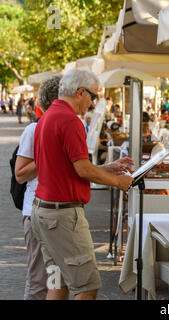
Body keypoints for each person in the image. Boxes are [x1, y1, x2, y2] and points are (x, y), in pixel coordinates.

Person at [30, 69, 134, 300]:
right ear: (80, 92)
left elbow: (66, 167)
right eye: (93, 96)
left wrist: (107, 169)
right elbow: (83, 169)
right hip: (63, 217)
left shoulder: (47, 116)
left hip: (44, 213)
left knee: (57, 283)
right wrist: (119, 181)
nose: (93, 102)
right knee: (87, 286)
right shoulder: (70, 120)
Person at [15, 75, 61, 300]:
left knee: (56, 280)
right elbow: (20, 174)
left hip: (60, 216)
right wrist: (48, 157)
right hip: (36, 214)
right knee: (38, 281)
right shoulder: (33, 130)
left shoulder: (70, 128)